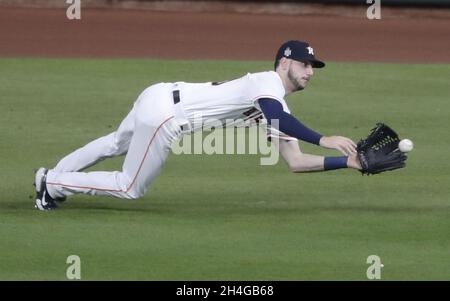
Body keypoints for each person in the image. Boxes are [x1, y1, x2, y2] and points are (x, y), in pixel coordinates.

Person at [34, 40, 361, 211]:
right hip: (165, 116)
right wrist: (324, 138)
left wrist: (345, 162)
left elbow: (295, 162)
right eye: (305, 64)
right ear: (285, 62)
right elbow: (281, 118)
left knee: (115, 144)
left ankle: (53, 180)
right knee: (130, 187)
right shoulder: (267, 83)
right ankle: (52, 184)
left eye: (313, 66)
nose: (310, 71)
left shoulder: (270, 102)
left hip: (158, 93)